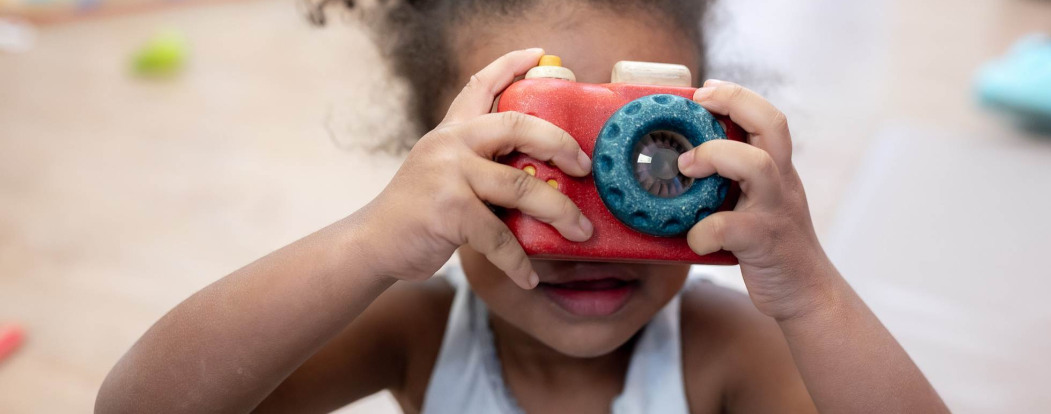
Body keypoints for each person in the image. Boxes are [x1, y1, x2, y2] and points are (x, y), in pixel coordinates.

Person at [96, 1, 948, 412]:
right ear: (430, 170)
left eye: (654, 158)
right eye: (519, 158)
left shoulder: (721, 357)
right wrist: (367, 243)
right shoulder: (419, 333)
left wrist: (808, 291)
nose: (584, 225)